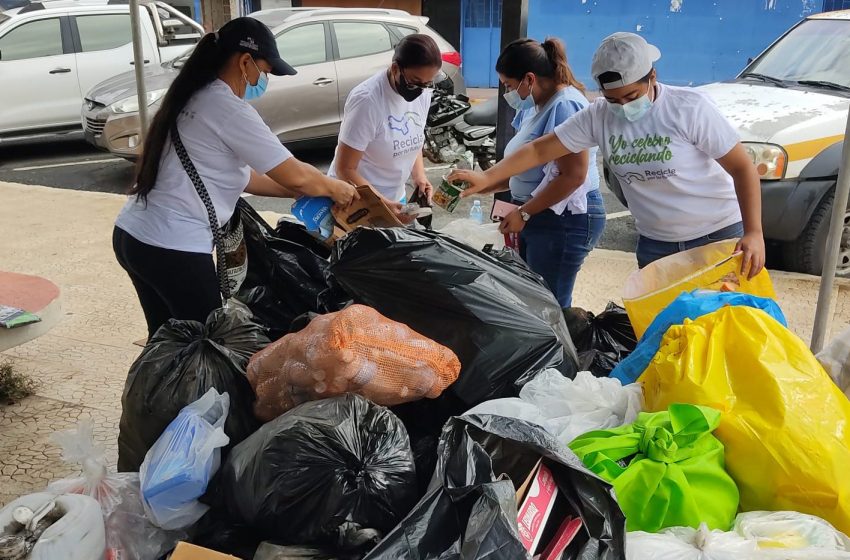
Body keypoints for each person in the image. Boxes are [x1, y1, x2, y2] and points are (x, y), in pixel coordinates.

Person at [113, 17, 357, 340]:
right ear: (245, 62)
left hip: (134, 236)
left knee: (167, 344)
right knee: (210, 347)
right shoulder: (227, 108)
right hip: (173, 247)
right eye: (265, 71)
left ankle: (158, 390)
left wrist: (297, 193)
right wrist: (336, 187)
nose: (264, 80)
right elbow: (296, 173)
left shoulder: (194, 96)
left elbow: (245, 178)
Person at [451, 32, 765, 278]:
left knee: (722, 331)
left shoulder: (688, 108)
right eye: (613, 99)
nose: (623, 107)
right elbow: (540, 148)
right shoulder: (599, 115)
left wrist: (753, 232)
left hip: (716, 235)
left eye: (631, 96)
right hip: (656, 244)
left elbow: (742, 168)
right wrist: (487, 177)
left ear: (652, 77)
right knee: (667, 337)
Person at [487, 37, 604, 308]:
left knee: (549, 307)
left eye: (509, 85)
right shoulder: (537, 106)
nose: (508, 93)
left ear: (529, 79)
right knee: (533, 302)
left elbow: (573, 175)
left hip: (562, 221)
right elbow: (524, 165)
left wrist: (525, 212)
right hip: (538, 217)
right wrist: (478, 184)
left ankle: (561, 352)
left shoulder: (565, 106)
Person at [330, 34, 443, 206]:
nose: (421, 90)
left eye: (427, 84)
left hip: (395, 197)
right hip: (356, 201)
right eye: (414, 82)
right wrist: (383, 204)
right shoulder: (367, 101)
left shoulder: (423, 92)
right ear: (396, 68)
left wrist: (419, 176)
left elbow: (414, 137)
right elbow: (345, 169)